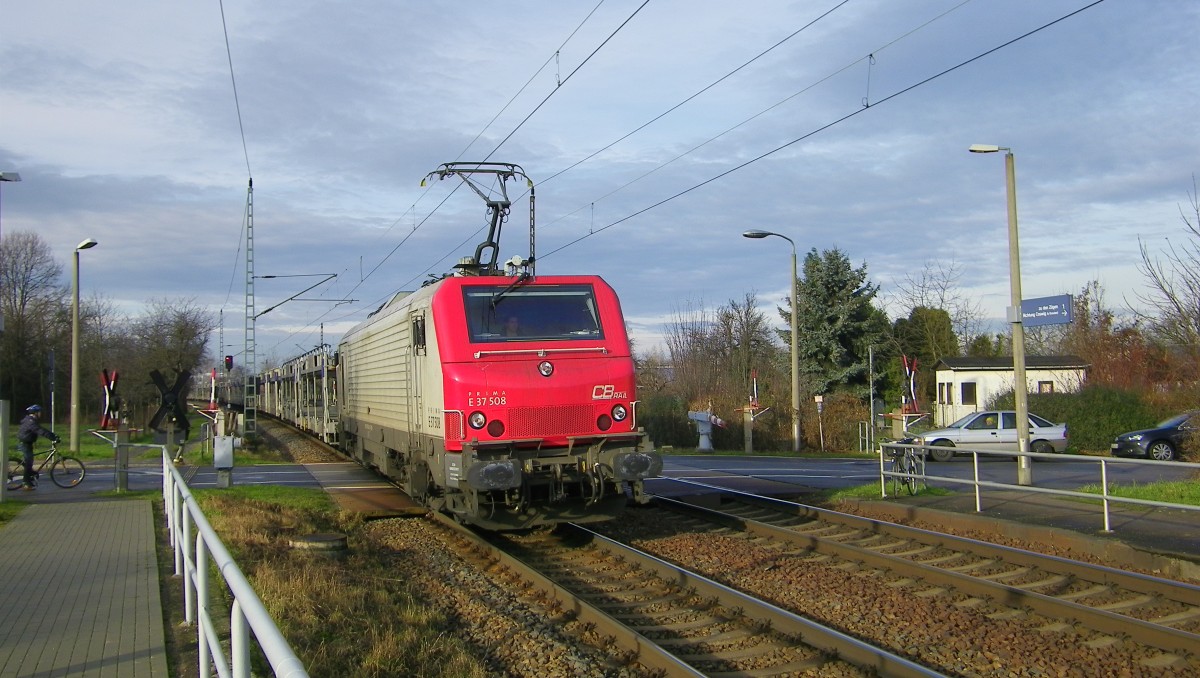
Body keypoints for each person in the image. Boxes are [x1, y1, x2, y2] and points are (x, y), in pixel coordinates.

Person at [16, 404, 60, 490]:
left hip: (27, 443)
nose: (41, 414)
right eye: (39, 412)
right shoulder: (30, 421)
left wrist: (52, 435)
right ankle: (26, 482)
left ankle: (30, 475)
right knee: (29, 462)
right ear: (35, 413)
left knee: (29, 461)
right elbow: (40, 430)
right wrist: (53, 437)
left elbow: (41, 429)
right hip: (25, 444)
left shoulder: (31, 420)